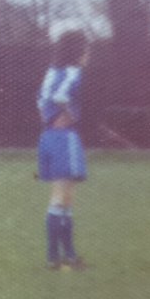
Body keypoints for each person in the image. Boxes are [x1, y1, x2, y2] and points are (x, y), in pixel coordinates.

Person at [36, 30, 90, 270]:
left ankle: (67, 256)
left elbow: (41, 100)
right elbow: (60, 97)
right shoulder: (73, 72)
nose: (88, 56)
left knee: (64, 198)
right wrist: (69, 117)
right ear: (78, 52)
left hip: (48, 136)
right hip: (64, 137)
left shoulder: (51, 72)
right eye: (87, 50)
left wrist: (49, 120)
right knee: (62, 198)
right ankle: (53, 257)